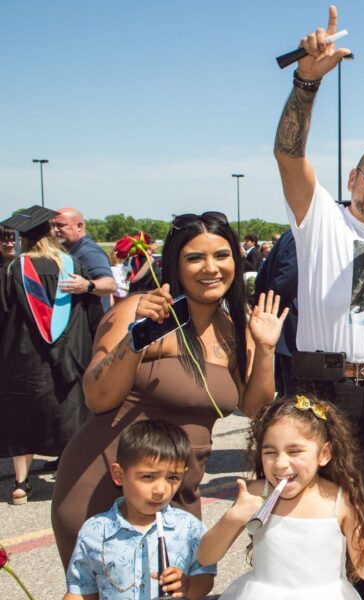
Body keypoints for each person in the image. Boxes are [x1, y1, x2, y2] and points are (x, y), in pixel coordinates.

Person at [51, 212, 286, 567]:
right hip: (109, 486)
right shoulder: (139, 311)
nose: (211, 268)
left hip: (179, 491)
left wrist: (266, 348)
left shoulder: (232, 328)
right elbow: (97, 398)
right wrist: (136, 339)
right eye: (195, 258)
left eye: (221, 255)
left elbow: (254, 409)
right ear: (174, 265)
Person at [272, 10, 364, 597]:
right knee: (314, 513)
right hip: (323, 390)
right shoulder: (321, 219)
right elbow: (288, 154)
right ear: (353, 178)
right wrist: (307, 81)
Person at [198, 395, 364, 598]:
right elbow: (206, 557)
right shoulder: (256, 494)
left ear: (324, 454)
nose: (280, 463)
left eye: (294, 451)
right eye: (270, 452)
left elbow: (363, 564)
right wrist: (232, 519)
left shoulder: (340, 502)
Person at [0, 206, 95, 506]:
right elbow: (90, 313)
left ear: (24, 239)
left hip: (22, 359)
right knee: (67, 417)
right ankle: (68, 482)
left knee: (21, 419)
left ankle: (19, 484)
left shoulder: (13, 270)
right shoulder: (73, 266)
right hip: (65, 356)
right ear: (51, 234)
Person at [64, 420, 215, 600]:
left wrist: (187, 585)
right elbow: (81, 590)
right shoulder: (95, 531)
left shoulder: (189, 528)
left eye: (173, 477)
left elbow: (206, 579)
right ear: (119, 475)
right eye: (148, 477)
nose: (161, 490)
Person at [52, 207, 118, 331]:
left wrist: (88, 285)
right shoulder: (70, 251)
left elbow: (110, 284)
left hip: (90, 330)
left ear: (79, 227)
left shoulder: (89, 252)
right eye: (53, 225)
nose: (55, 230)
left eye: (60, 225)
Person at [253, 228, 299, 396]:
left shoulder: (288, 235)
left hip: (282, 326)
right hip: (291, 328)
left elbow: (262, 277)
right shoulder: (302, 236)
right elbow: (287, 279)